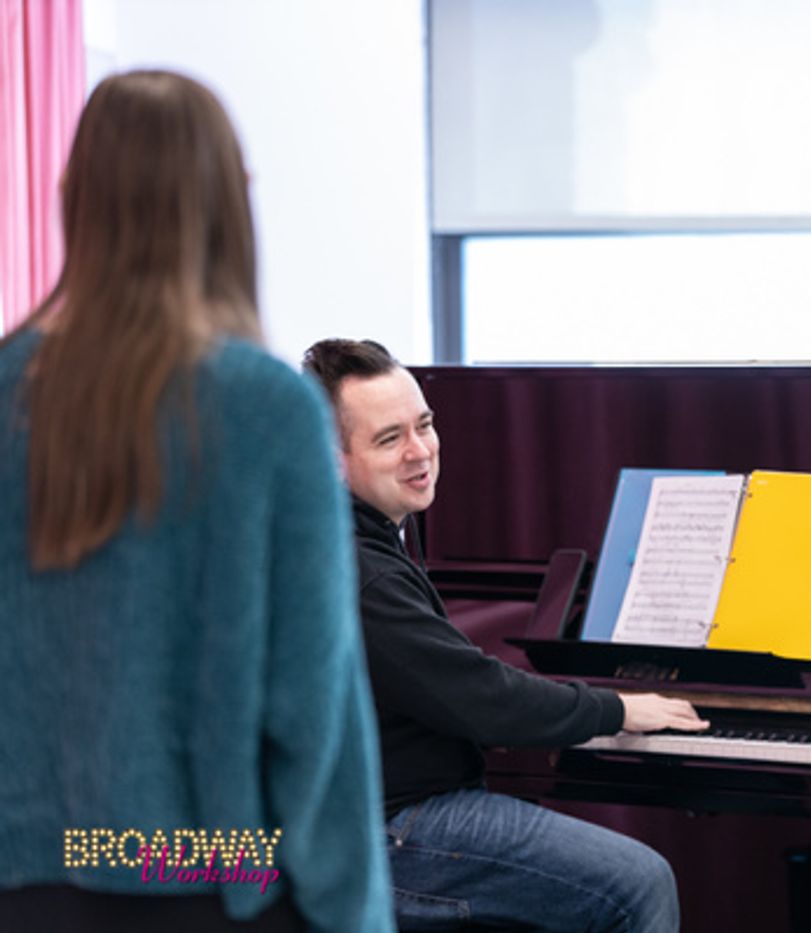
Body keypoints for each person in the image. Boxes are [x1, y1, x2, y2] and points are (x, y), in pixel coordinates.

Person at [0, 72, 393, 932]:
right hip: (193, 867)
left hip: (22, 865)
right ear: (231, 204)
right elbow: (314, 703)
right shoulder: (263, 404)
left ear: (73, 199)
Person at [302, 338, 710, 933]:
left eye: (425, 425)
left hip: (376, 813)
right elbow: (483, 700)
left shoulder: (347, 538)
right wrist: (614, 707)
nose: (421, 452)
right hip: (388, 830)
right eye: (390, 439)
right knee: (637, 882)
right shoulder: (359, 570)